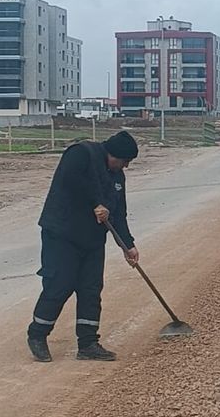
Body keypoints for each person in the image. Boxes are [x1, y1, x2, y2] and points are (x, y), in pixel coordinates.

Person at [26, 131, 140, 362]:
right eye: (124, 161)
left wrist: (128, 245)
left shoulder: (117, 177)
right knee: (60, 283)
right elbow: (69, 180)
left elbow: (118, 213)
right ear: (113, 154)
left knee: (90, 289)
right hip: (62, 234)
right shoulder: (81, 153)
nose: (125, 167)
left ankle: (88, 344)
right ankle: (37, 335)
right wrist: (96, 201)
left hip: (92, 240)